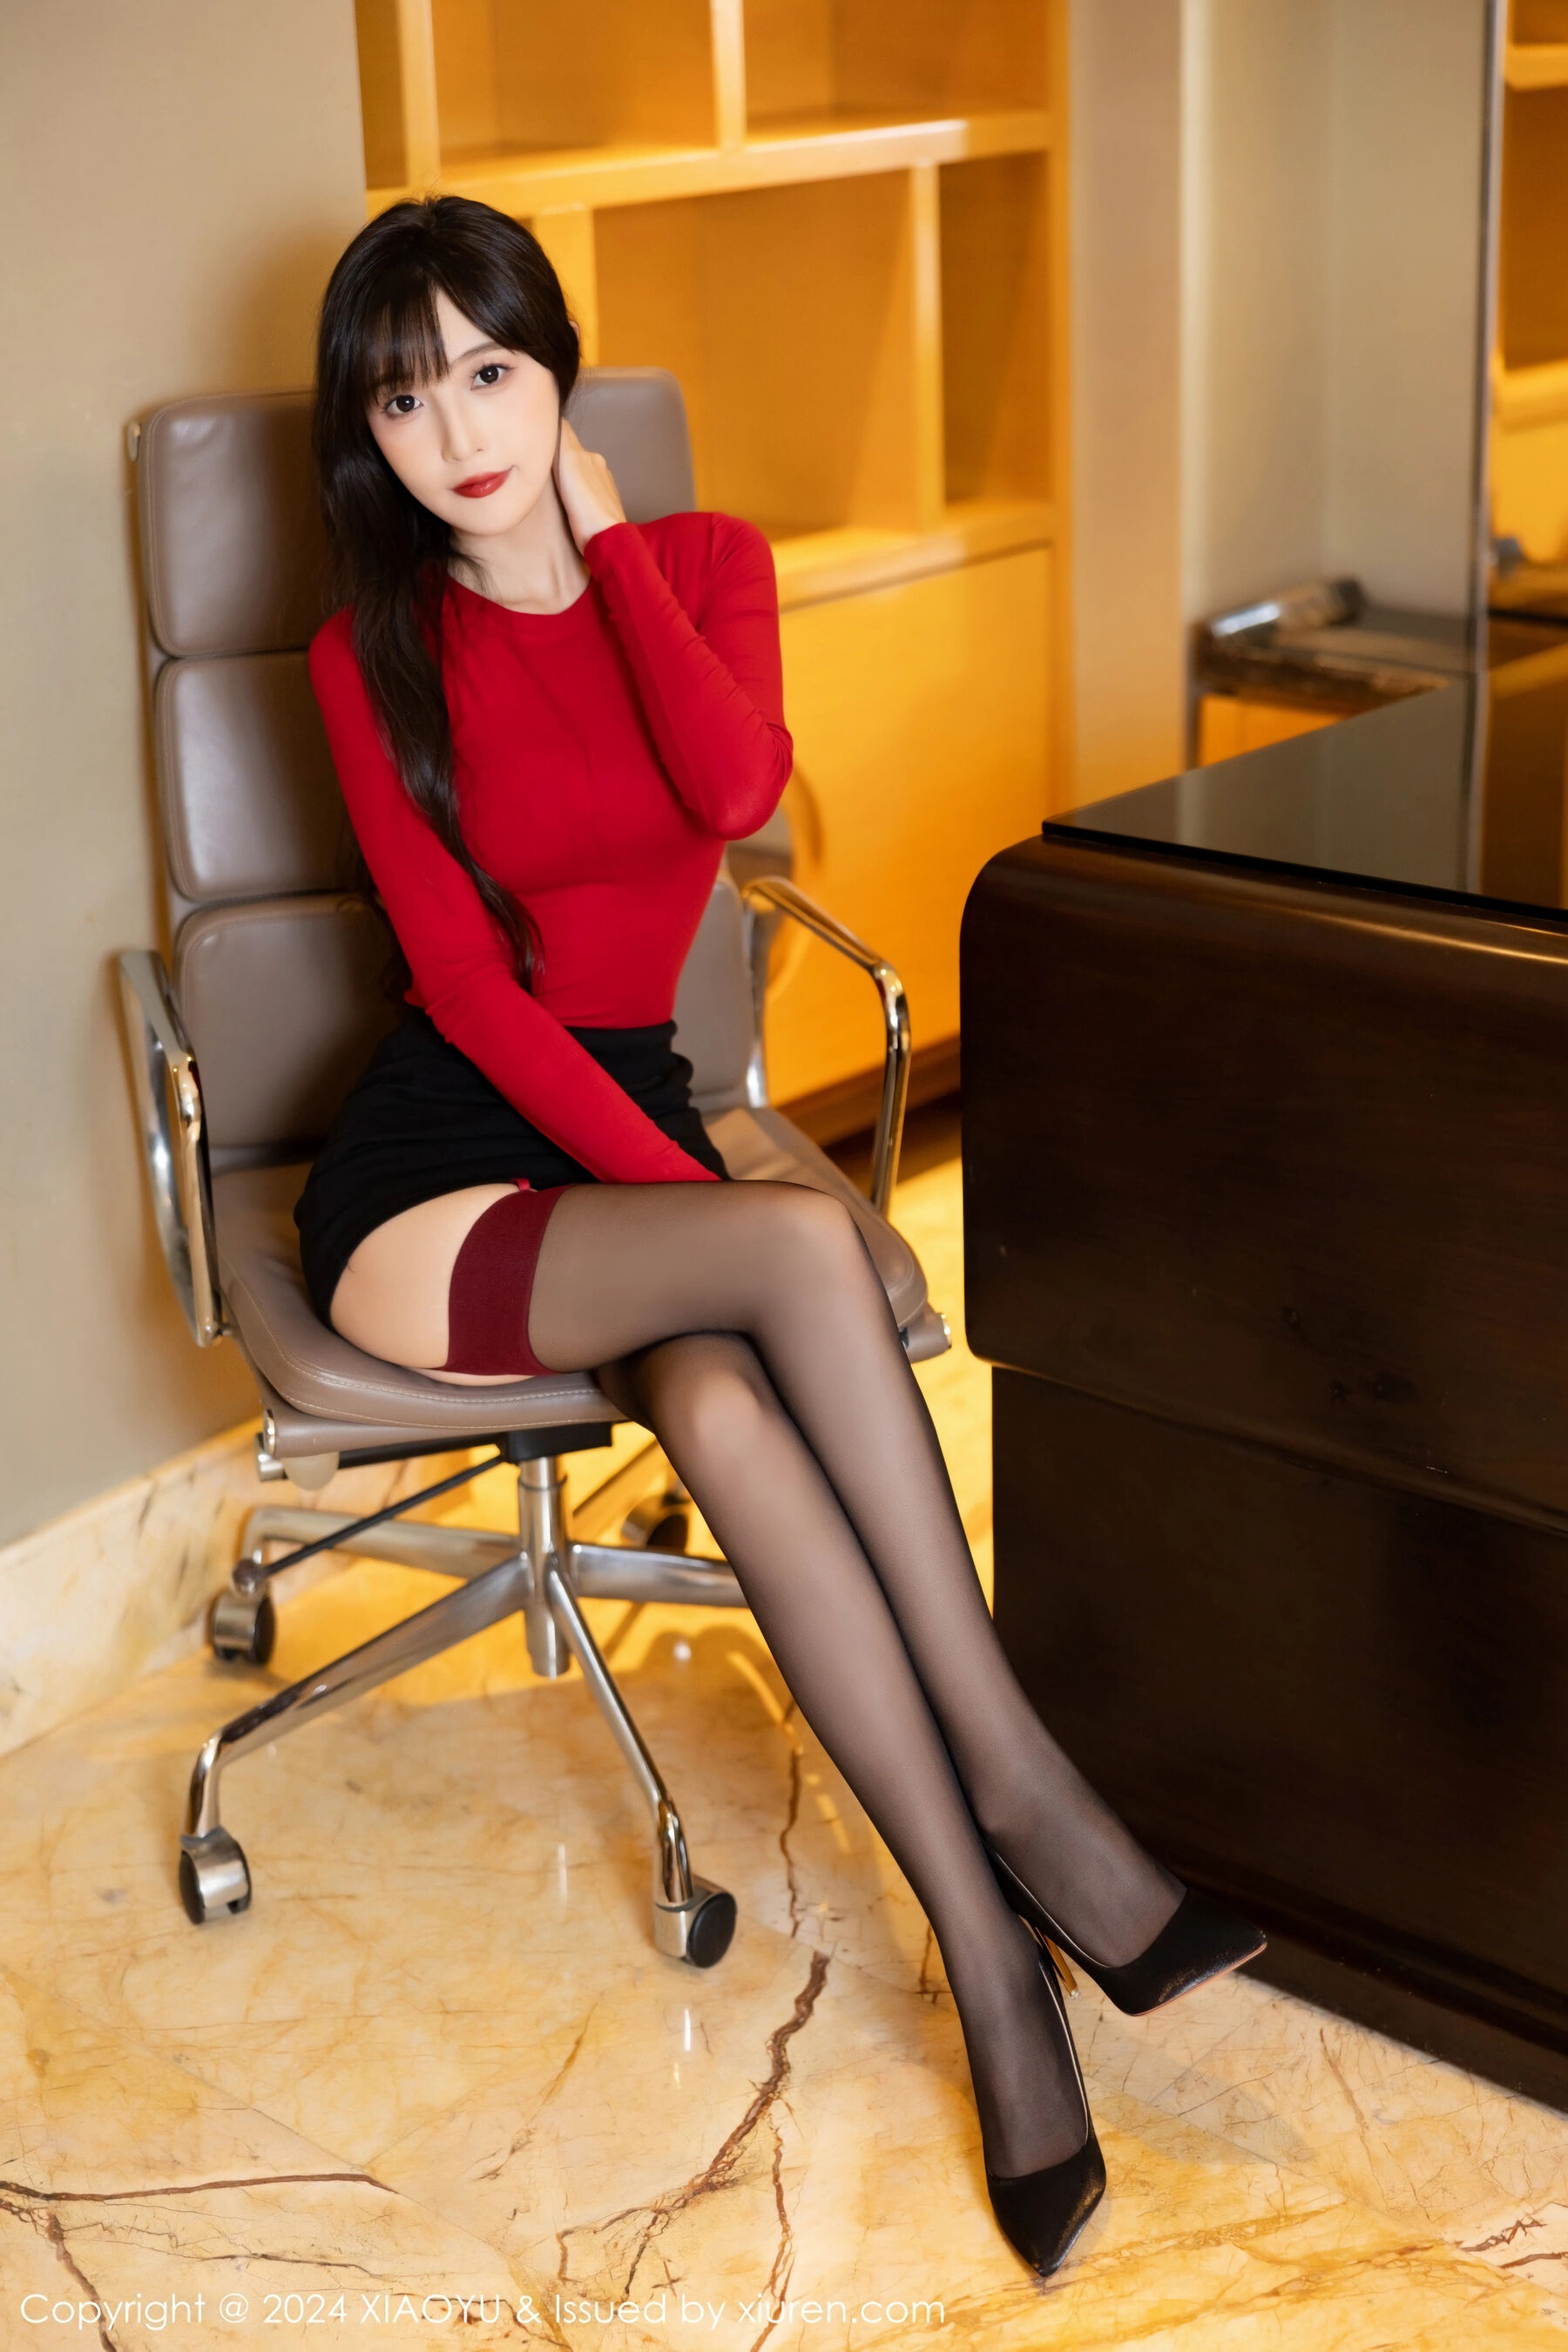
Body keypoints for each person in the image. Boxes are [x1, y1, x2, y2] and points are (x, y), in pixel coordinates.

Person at [295, 193, 1266, 2279]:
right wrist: (705, 1212)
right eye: (404, 399)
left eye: (491, 373)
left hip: (631, 1121)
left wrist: (610, 550)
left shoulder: (704, 566)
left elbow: (734, 792)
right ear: (362, 435)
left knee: (735, 1418)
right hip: (439, 1178)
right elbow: (467, 998)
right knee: (802, 1252)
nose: (457, 435)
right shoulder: (366, 653)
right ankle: (1038, 1807)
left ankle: (999, 1977)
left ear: (556, 373)